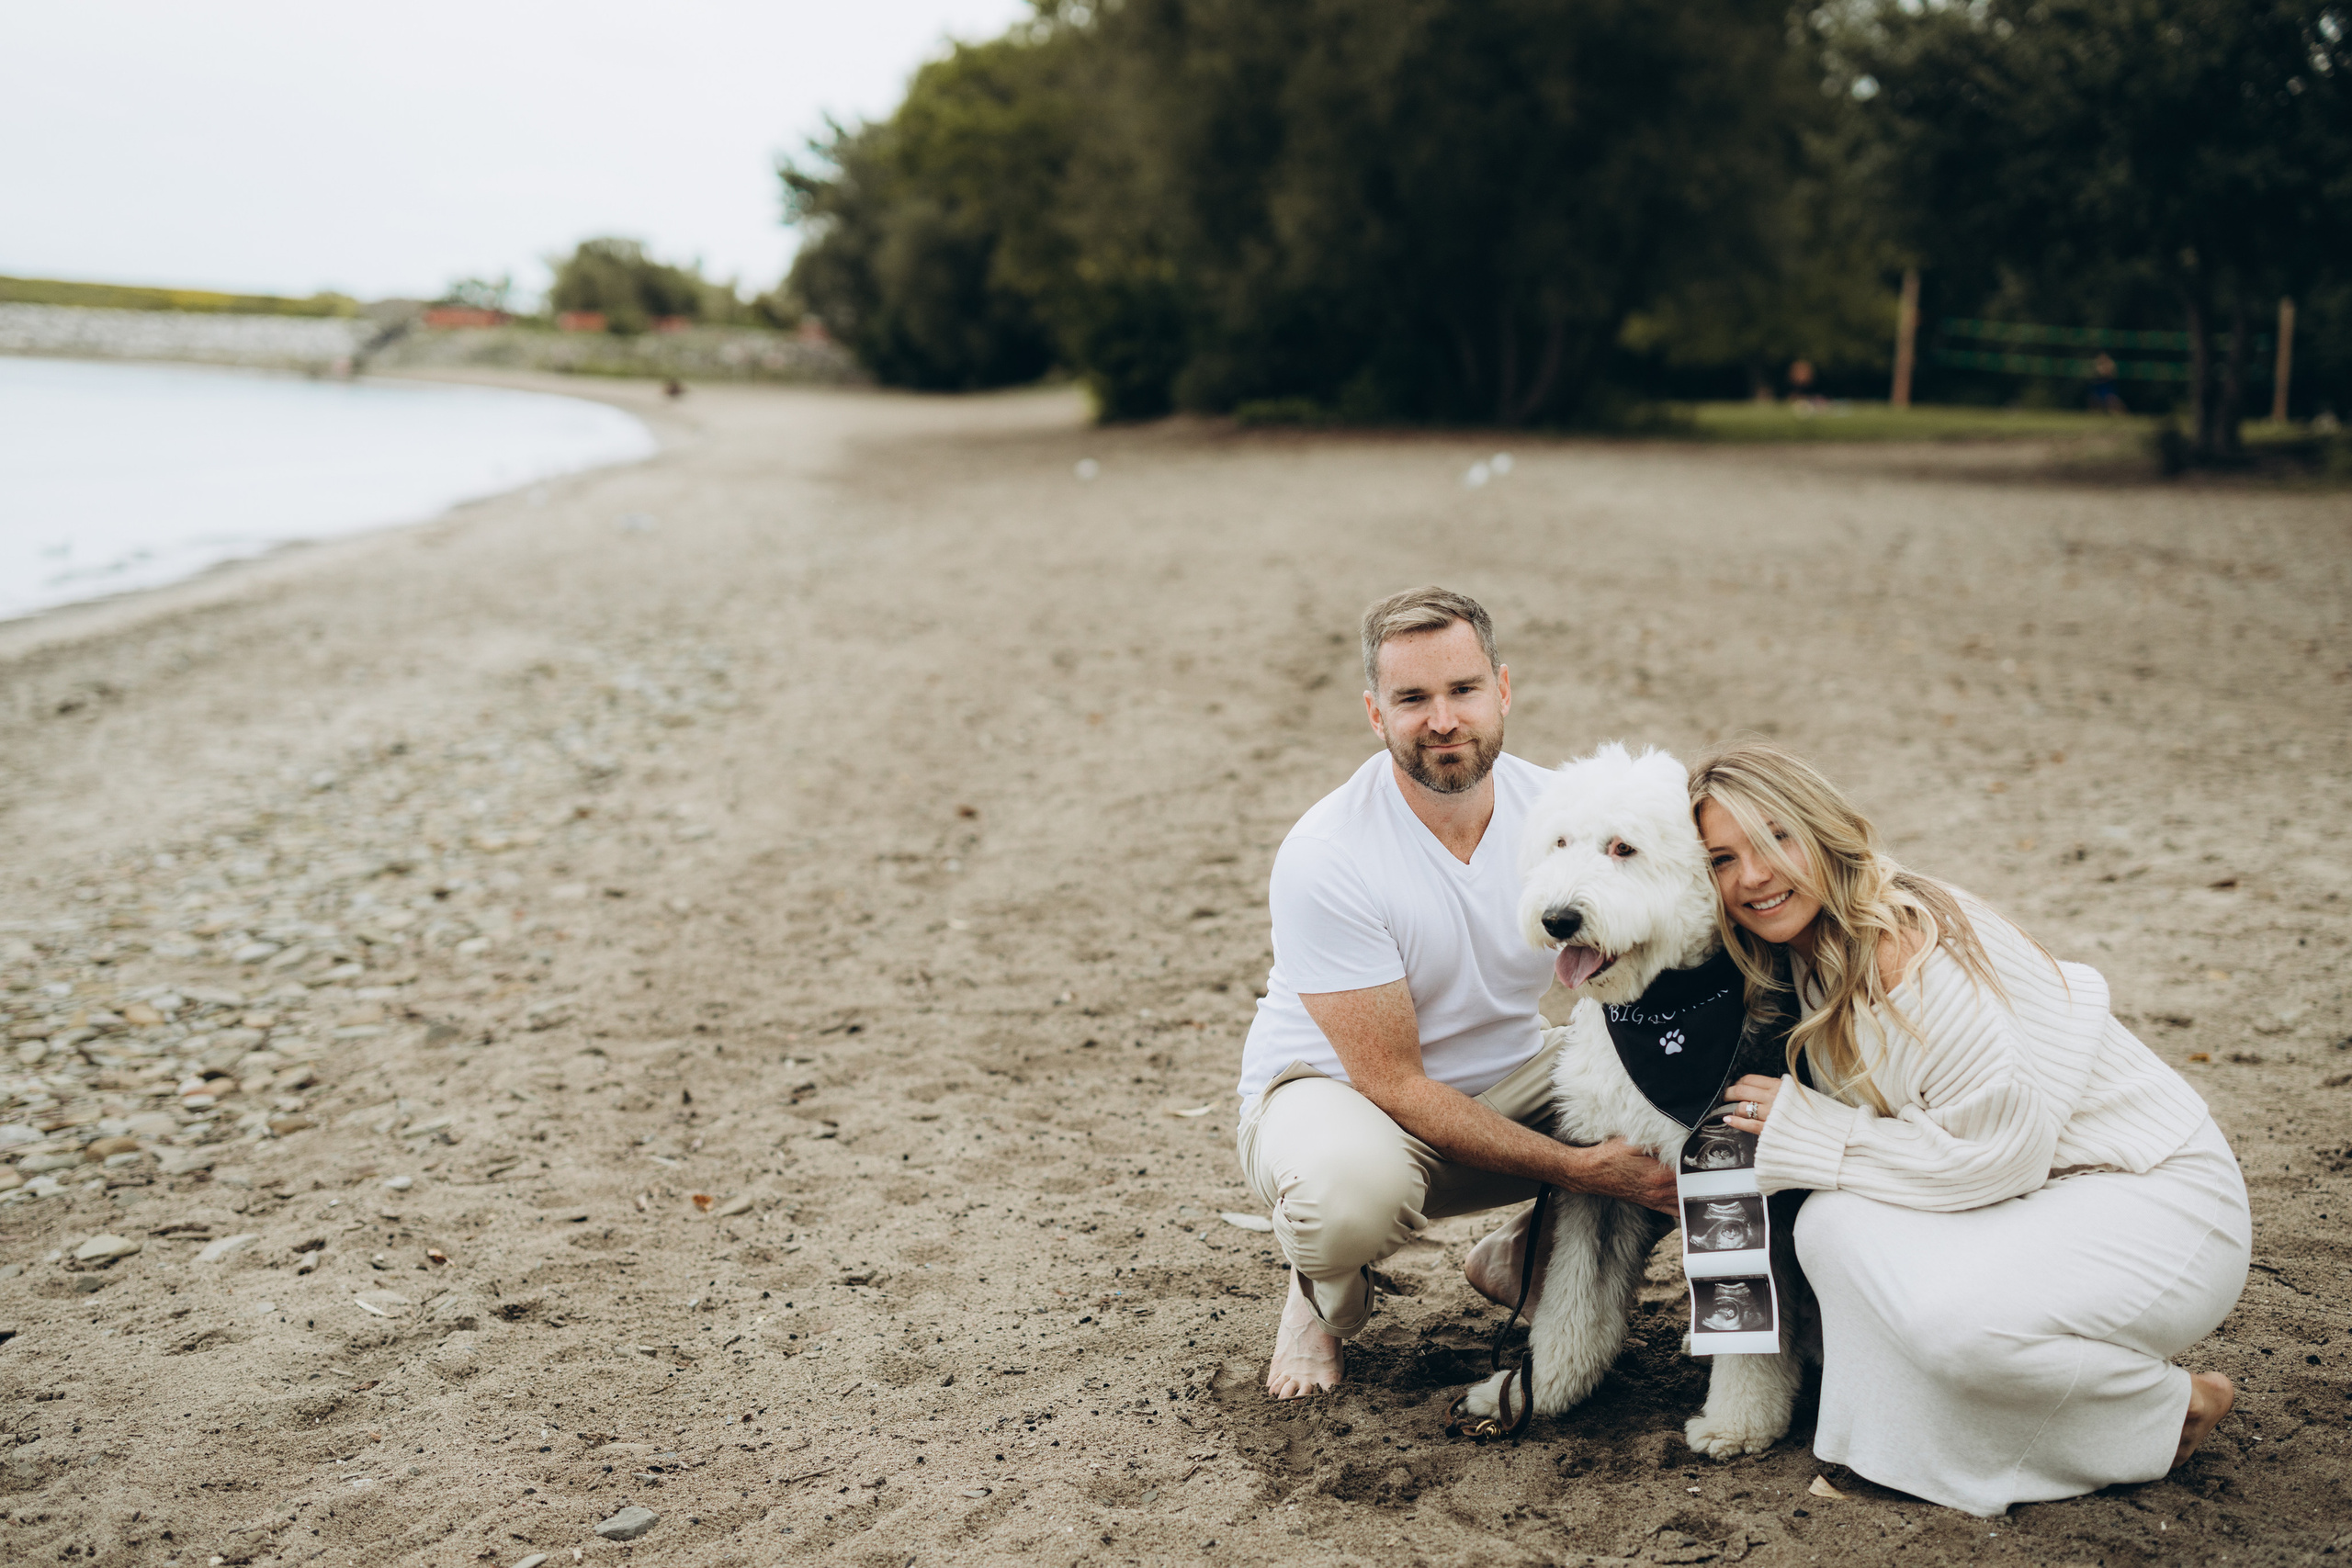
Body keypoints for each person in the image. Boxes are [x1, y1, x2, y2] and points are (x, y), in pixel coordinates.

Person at [1690, 739, 2247, 1516]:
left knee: (1955, 1328)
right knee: (1831, 1227)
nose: (1752, 875)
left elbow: (2001, 1156)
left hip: (2153, 1191)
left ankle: (2161, 1405)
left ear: (1823, 827)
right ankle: (1895, 1438)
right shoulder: (1807, 950)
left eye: (1777, 836)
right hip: (2038, 1196)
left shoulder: (1908, 946)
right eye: (1722, 857)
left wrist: (1810, 1133)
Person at [1235, 586, 1678, 1400]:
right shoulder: (1328, 851)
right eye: (1413, 698)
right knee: (1343, 1205)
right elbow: (1392, 1082)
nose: (1443, 719)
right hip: (1339, 1098)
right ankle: (1316, 1297)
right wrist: (1586, 1170)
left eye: (1463, 690)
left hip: (1506, 1082)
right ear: (1376, 714)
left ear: (1501, 690)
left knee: (1682, 1096)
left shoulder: (1561, 813)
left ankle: (1523, 1254)